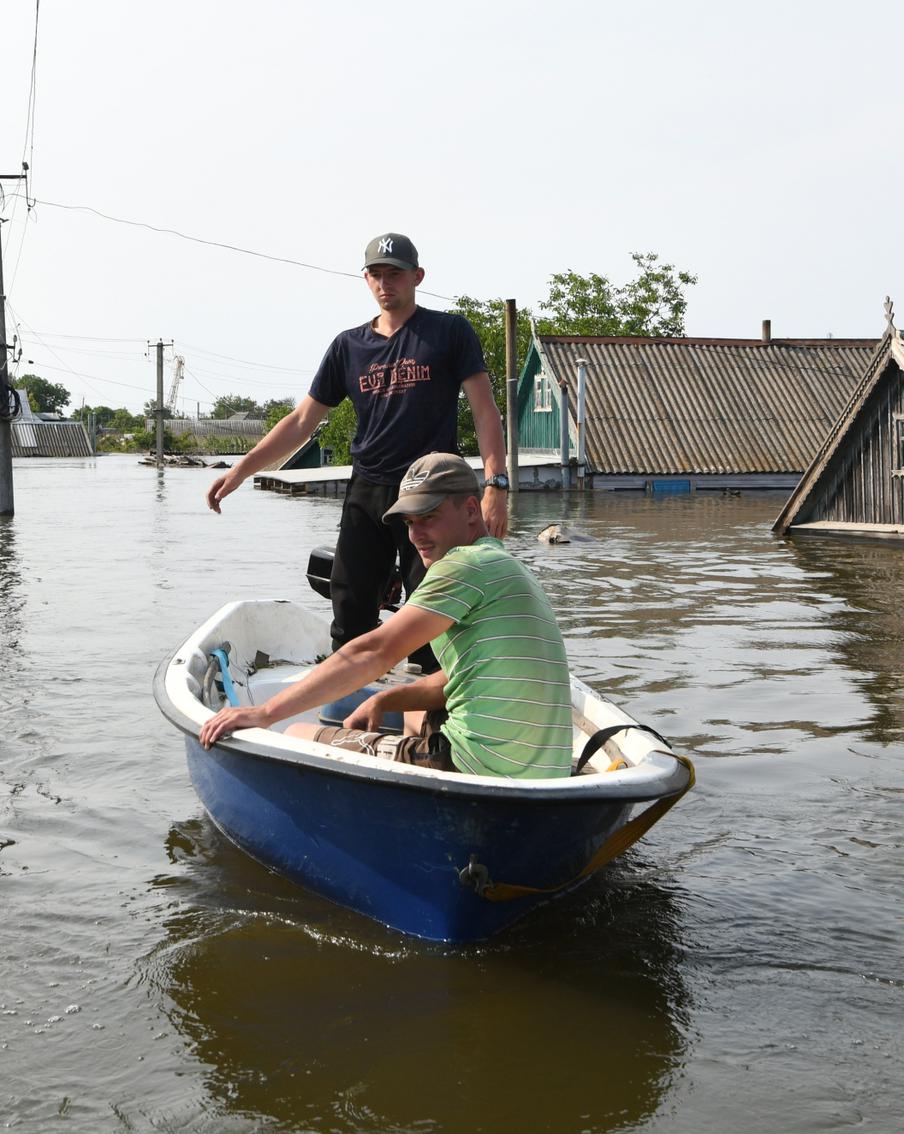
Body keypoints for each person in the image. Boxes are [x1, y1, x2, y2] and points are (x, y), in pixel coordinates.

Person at [205, 232, 509, 669]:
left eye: (396, 274)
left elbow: (484, 410)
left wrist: (495, 486)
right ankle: (349, 710)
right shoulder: (349, 346)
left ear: (417, 277)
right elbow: (300, 421)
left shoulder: (449, 332)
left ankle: (435, 723)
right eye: (377, 274)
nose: (386, 283)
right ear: (366, 279)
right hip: (368, 490)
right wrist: (240, 471)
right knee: (350, 611)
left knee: (433, 613)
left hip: (431, 493)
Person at [200, 453, 573, 779]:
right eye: (409, 523)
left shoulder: (461, 566)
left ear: (471, 511)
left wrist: (265, 713)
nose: (417, 535)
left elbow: (374, 652)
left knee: (295, 733)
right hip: (543, 772)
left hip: (475, 767)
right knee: (410, 713)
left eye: (429, 516)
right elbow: (463, 675)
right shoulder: (506, 565)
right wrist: (384, 700)